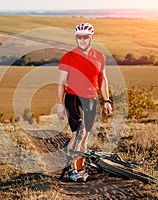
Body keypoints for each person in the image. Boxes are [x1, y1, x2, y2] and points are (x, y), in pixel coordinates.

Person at [57, 22, 112, 182]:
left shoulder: (99, 56)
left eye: (85, 37)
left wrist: (106, 100)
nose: (82, 40)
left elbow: (103, 80)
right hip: (73, 98)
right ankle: (72, 170)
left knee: (86, 137)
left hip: (91, 100)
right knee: (78, 134)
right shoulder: (68, 57)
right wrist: (60, 104)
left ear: (91, 38)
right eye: (79, 37)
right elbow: (61, 83)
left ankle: (80, 169)